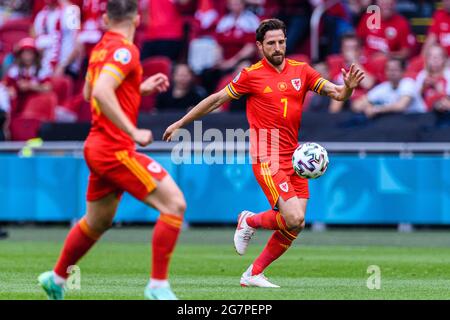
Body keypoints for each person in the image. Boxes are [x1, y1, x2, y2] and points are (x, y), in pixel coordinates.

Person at [163, 18, 364, 287]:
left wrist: (349, 86)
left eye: (281, 41)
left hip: (294, 156)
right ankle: (250, 221)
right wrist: (180, 123)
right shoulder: (251, 75)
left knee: (296, 223)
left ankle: (253, 273)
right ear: (260, 46)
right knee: (292, 217)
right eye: (271, 43)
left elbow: (339, 95)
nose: (278, 47)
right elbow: (216, 100)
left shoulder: (301, 71)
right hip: (266, 155)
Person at [38, 0, 186, 300]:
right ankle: (157, 286)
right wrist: (133, 130)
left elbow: (88, 92)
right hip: (114, 148)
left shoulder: (100, 49)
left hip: (97, 145)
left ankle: (55, 278)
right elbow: (102, 92)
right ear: (138, 18)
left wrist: (137, 88)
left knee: (97, 222)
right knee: (174, 205)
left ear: (105, 18)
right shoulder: (126, 50)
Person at [352, 57, 425, 117]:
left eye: (395, 70)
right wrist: (368, 107)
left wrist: (377, 109)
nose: (392, 73)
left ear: (403, 71)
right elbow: (356, 105)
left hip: (417, 119)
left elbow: (401, 106)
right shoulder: (383, 87)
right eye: (389, 70)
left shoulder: (408, 83)